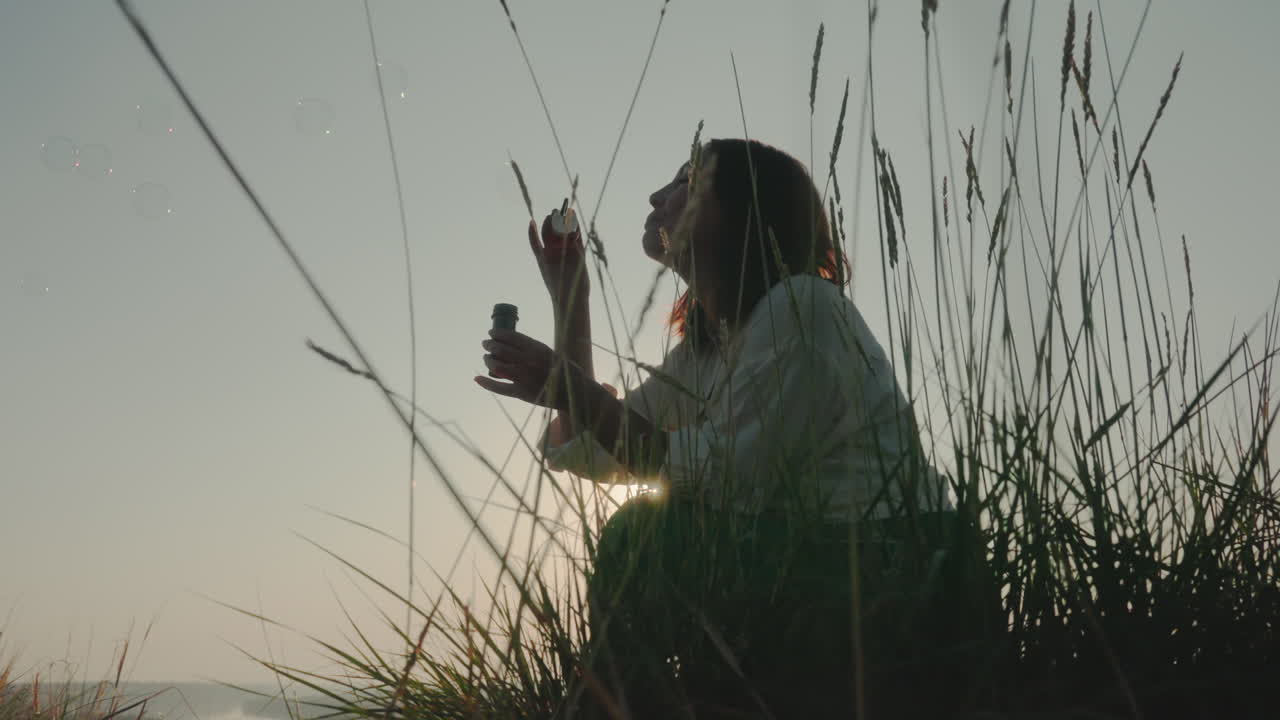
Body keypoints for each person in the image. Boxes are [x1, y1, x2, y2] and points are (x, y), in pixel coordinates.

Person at [475, 138, 1006, 718]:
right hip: (816, 564)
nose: (657, 195)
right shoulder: (712, 344)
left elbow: (721, 477)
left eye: (684, 182)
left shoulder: (803, 307)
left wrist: (573, 388)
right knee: (644, 530)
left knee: (641, 535)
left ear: (741, 211)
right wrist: (571, 299)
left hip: (895, 567)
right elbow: (605, 451)